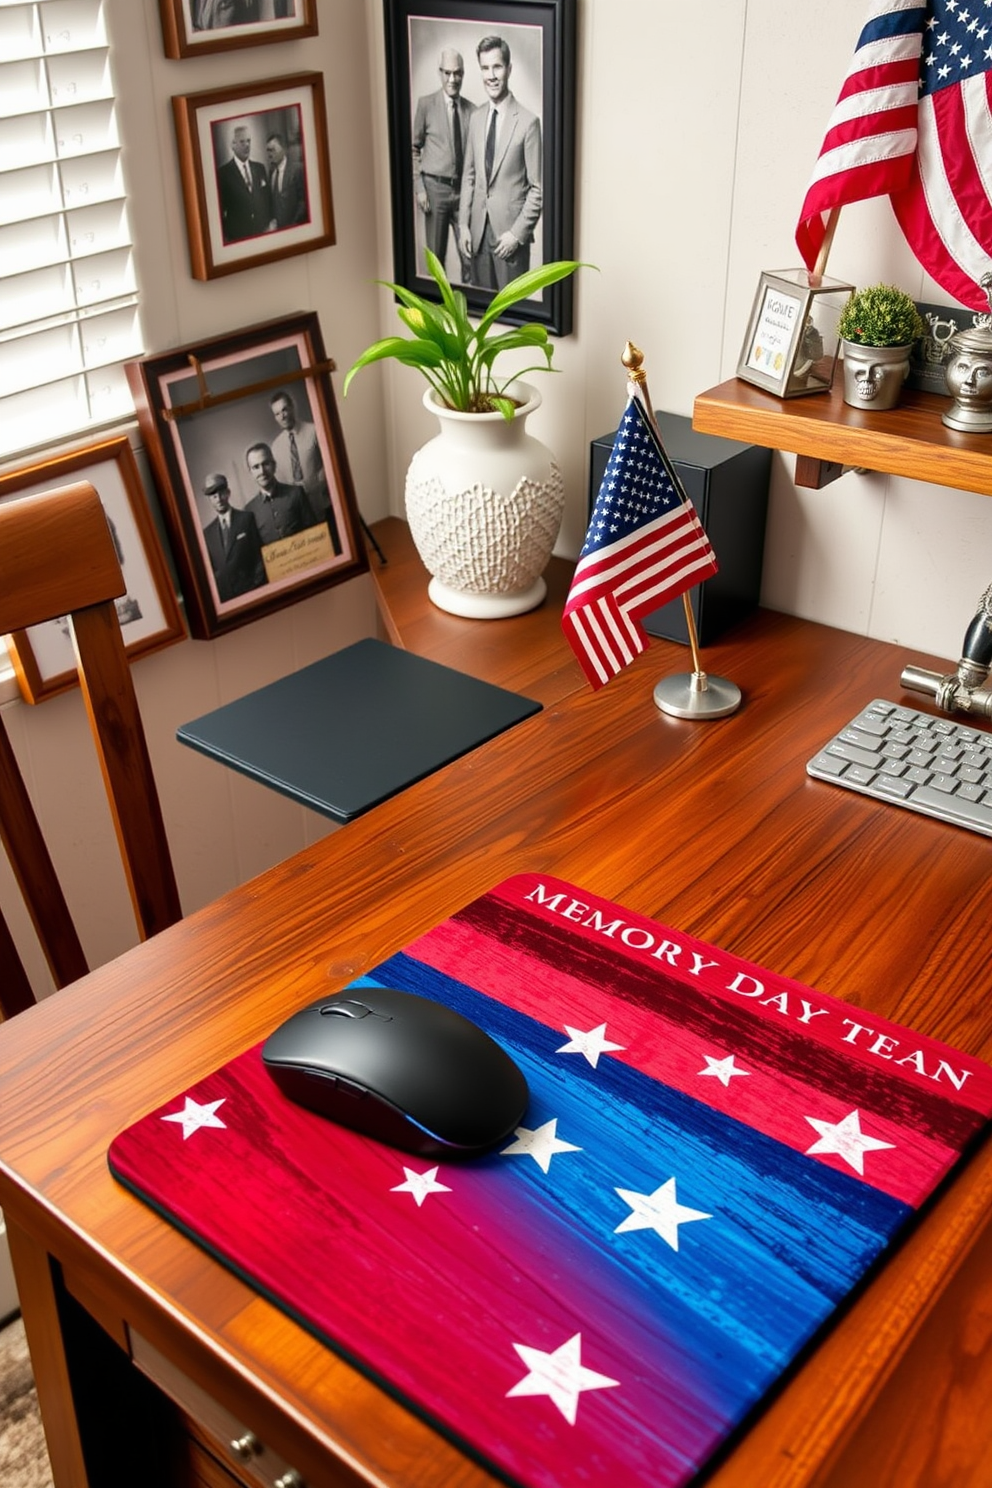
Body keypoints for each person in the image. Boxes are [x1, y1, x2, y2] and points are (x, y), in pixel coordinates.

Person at [458, 36, 542, 291]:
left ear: (509, 69)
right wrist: (463, 224)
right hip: (477, 237)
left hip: (509, 241)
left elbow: (538, 189)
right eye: (485, 68)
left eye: (497, 67)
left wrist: (517, 235)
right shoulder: (475, 117)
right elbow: (469, 176)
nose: (491, 76)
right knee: (482, 322)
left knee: (512, 321)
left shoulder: (528, 123)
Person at [411, 48, 476, 279]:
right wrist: (420, 188)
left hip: (464, 195)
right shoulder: (426, 105)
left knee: (471, 257)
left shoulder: (473, 111)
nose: (452, 79)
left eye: (457, 73)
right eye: (447, 73)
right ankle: (440, 312)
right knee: (436, 261)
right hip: (435, 191)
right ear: (440, 73)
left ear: (463, 74)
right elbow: (413, 149)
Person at [268, 389, 341, 551]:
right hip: (298, 514)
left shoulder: (314, 431)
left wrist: (314, 483)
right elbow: (280, 482)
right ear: (275, 417)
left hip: (323, 504)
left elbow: (330, 464)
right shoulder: (276, 446)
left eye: (285, 409)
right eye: (277, 413)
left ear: (292, 407)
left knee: (334, 548)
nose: (283, 416)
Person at [201, 474, 267, 600]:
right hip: (227, 599)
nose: (218, 499)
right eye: (213, 496)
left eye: (221, 493)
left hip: (252, 592)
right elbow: (212, 572)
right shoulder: (207, 534)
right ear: (210, 500)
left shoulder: (246, 519)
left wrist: (256, 586)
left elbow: (260, 555)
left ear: (228, 493)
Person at [243, 442, 315, 546]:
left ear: (274, 465)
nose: (262, 471)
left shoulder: (296, 493)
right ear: (251, 473)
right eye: (256, 467)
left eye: (266, 464)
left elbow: (315, 533)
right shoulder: (249, 510)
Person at [217, 123, 271, 244]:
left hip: (263, 234)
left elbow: (267, 199)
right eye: (242, 142)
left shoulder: (260, 168)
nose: (247, 145)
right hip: (238, 239)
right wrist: (228, 235)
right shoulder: (223, 174)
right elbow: (220, 210)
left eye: (249, 141)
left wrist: (269, 224)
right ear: (233, 145)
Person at [266, 132, 308, 231]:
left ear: (283, 149)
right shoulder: (271, 171)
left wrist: (294, 224)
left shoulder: (297, 169)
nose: (269, 154)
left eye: (272, 150)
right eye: (267, 151)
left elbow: (303, 201)